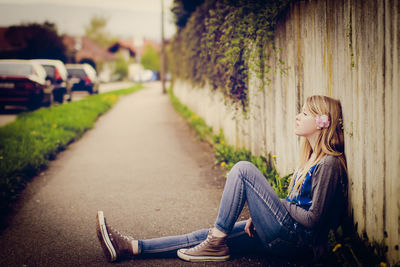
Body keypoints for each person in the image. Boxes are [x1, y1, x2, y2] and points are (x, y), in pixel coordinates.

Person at [96, 95, 348, 263]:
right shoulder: (311, 158)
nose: (298, 116)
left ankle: (216, 241)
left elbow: (314, 220)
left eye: (304, 114)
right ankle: (131, 247)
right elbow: (295, 208)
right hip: (283, 233)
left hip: (298, 245)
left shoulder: (329, 164)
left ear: (321, 123)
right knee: (202, 237)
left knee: (243, 169)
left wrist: (277, 205)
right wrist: (262, 215)